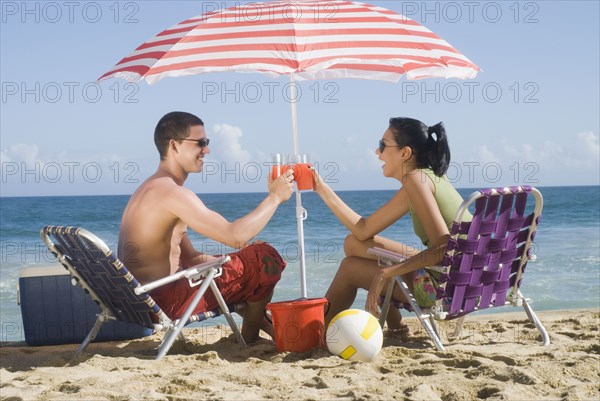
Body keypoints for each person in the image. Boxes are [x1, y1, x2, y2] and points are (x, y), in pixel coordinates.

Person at [118, 111, 294, 343]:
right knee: (266, 258)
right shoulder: (173, 194)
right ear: (174, 145)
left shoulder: (149, 189)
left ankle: (261, 324)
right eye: (200, 142)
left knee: (249, 258)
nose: (207, 150)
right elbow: (236, 236)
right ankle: (250, 338)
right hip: (165, 301)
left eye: (207, 142)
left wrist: (238, 260)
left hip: (139, 302)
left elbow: (189, 257)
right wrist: (274, 198)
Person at [312, 117, 467, 333]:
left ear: (405, 153)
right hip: (470, 281)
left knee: (350, 268)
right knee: (353, 244)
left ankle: (316, 331)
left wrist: (387, 273)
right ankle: (396, 326)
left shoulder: (416, 180)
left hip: (446, 290)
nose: (377, 152)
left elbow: (443, 248)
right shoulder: (426, 178)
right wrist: (321, 188)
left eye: (383, 145)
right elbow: (363, 229)